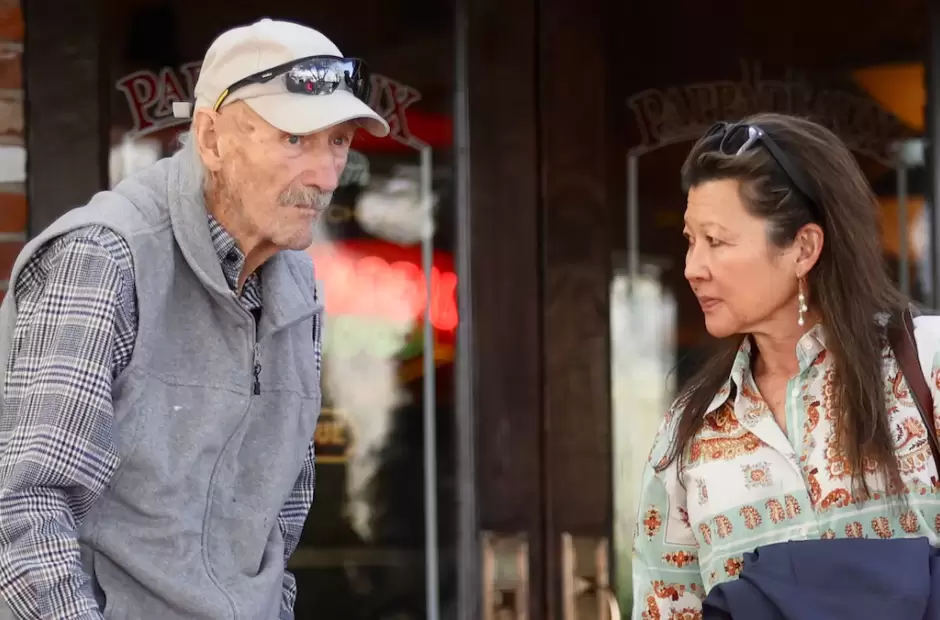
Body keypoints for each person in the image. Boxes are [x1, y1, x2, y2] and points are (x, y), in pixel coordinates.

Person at [0, 18, 388, 620]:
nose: (324, 174)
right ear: (210, 138)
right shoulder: (104, 259)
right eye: (295, 140)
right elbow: (23, 511)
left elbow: (275, 531)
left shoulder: (296, 287)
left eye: (338, 141)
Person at [631, 112, 940, 619]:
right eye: (690, 240)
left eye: (716, 240)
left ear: (803, 247)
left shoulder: (927, 367)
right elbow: (666, 607)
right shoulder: (688, 435)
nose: (692, 268)